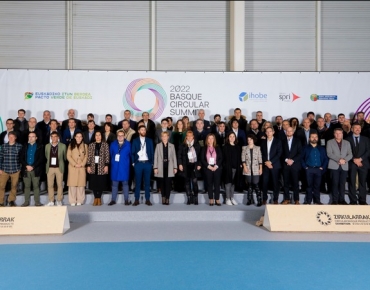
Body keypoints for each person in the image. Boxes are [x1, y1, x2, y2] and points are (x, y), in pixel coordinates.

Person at [326, 128, 353, 205]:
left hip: (344, 165)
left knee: (342, 183)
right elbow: (329, 153)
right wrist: (339, 159)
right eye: (336, 133)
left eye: (340, 133)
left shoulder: (347, 143)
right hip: (334, 165)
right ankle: (334, 200)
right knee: (334, 183)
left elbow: (350, 154)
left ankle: (342, 199)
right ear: (334, 134)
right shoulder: (330, 142)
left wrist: (344, 160)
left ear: (342, 134)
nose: (338, 135)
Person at [301, 132, 329, 205]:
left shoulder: (322, 148)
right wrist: (305, 167)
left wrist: (323, 167)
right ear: (309, 138)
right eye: (312, 137)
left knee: (317, 185)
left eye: (315, 137)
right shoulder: (305, 148)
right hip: (309, 169)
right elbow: (301, 158)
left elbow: (326, 159)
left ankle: (317, 200)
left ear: (318, 138)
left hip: (318, 169)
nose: (314, 138)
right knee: (309, 185)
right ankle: (308, 200)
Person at [346, 124, 370, 205]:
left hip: (363, 163)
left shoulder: (366, 139)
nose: (357, 129)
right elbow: (346, 152)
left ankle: (362, 200)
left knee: (363, 182)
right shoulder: (347, 139)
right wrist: (354, 159)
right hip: (352, 163)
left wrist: (360, 159)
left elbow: (368, 151)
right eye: (355, 128)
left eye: (359, 128)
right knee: (352, 182)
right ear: (352, 129)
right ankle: (353, 200)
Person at [131, 125, 154, 206]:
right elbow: (132, 152)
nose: (143, 131)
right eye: (142, 130)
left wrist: (152, 163)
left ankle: (147, 199)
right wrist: (133, 163)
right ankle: (136, 199)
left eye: (144, 130)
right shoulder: (135, 140)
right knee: (138, 182)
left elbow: (152, 152)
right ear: (138, 131)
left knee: (147, 183)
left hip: (147, 163)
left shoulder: (150, 140)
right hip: (138, 164)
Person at [20, 132, 44, 207]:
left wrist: (33, 166)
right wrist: (26, 166)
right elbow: (21, 158)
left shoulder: (40, 146)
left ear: (36, 138)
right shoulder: (25, 146)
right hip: (26, 169)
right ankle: (26, 202)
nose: (31, 138)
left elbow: (41, 158)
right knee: (26, 186)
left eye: (33, 136)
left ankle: (37, 202)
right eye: (29, 136)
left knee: (36, 186)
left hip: (35, 169)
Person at [177, 131, 202, 205]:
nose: (190, 137)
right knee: (187, 183)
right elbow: (179, 156)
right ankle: (189, 197)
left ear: (193, 136)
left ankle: (195, 198)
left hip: (194, 165)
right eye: (188, 136)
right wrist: (180, 164)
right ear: (186, 137)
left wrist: (199, 164)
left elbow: (200, 156)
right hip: (185, 166)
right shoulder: (182, 145)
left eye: (191, 136)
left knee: (194, 182)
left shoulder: (197, 145)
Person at [154, 131, 177, 205]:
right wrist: (155, 167)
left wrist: (175, 167)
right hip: (160, 166)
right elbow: (156, 157)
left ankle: (167, 198)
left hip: (169, 166)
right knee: (162, 184)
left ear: (168, 137)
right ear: (161, 137)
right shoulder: (158, 145)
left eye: (165, 136)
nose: (164, 137)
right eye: (163, 136)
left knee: (168, 184)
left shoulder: (172, 146)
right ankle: (163, 197)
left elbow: (174, 157)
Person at [86, 131, 109, 206]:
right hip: (93, 166)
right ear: (94, 136)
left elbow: (107, 156)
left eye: (99, 135)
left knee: (101, 183)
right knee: (94, 183)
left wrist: (106, 165)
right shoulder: (91, 145)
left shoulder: (105, 145)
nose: (98, 136)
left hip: (102, 166)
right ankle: (95, 198)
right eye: (96, 135)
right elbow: (89, 156)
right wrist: (88, 165)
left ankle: (99, 198)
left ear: (101, 136)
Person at [109, 129, 131, 205]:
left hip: (124, 167)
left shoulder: (128, 144)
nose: (120, 137)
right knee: (114, 185)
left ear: (124, 136)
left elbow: (130, 156)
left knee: (125, 184)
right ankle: (113, 200)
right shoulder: (113, 144)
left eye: (122, 135)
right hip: (115, 167)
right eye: (119, 135)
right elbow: (111, 155)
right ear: (117, 136)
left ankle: (126, 200)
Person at [260, 127, 282, 204]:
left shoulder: (278, 141)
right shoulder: (263, 142)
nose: (268, 133)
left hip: (275, 165)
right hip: (265, 165)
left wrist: (271, 162)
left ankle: (275, 199)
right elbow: (261, 153)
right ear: (265, 133)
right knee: (264, 182)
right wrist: (266, 162)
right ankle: (264, 199)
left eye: (270, 131)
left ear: (273, 132)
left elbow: (279, 153)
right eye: (267, 131)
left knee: (275, 183)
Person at [281, 127, 302, 204]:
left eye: (290, 131)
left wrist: (292, 160)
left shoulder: (298, 141)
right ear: (286, 132)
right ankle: (287, 199)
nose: (289, 132)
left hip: (295, 165)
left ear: (293, 132)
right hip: (285, 165)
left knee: (295, 183)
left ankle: (296, 199)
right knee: (285, 183)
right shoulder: (282, 141)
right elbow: (280, 153)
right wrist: (286, 160)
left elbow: (300, 153)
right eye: (287, 131)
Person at [0, 131, 22, 207]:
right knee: (1, 186)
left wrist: (20, 169)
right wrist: (0, 168)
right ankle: (1, 202)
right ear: (8, 138)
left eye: (13, 137)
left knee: (14, 186)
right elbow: (0, 158)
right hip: (4, 169)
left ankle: (11, 200)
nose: (11, 138)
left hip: (15, 169)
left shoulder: (19, 146)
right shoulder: (3, 146)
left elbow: (21, 158)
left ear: (15, 138)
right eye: (10, 137)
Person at [45, 132, 67, 206]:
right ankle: (51, 200)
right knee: (50, 185)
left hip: (59, 168)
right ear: (51, 138)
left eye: (55, 136)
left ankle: (59, 200)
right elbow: (46, 156)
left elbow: (64, 157)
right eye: (52, 137)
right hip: (50, 168)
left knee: (60, 184)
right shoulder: (47, 146)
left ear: (58, 138)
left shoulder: (63, 146)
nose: (54, 138)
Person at [201, 133, 223, 206]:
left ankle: (217, 199)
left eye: (212, 138)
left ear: (214, 140)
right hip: (207, 168)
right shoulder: (204, 148)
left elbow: (221, 158)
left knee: (217, 184)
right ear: (207, 140)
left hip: (217, 168)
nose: (210, 140)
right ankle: (211, 199)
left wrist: (216, 166)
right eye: (209, 138)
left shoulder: (217, 147)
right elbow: (202, 159)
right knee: (209, 184)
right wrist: (209, 166)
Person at [67, 132, 88, 206]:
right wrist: (75, 164)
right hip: (73, 167)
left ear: (82, 138)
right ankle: (72, 200)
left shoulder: (85, 146)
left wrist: (82, 164)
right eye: (77, 136)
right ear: (75, 137)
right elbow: (68, 156)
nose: (79, 138)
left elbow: (86, 156)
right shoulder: (70, 145)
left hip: (81, 167)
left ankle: (80, 200)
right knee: (72, 184)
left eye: (80, 136)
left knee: (81, 185)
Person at [242, 134, 263, 206]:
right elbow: (243, 158)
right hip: (247, 168)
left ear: (253, 140)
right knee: (249, 185)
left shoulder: (257, 148)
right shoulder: (244, 148)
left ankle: (259, 200)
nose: (249, 141)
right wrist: (244, 166)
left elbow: (260, 159)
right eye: (248, 140)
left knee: (256, 184)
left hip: (256, 168)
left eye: (250, 139)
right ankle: (249, 199)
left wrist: (260, 168)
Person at [222, 132, 241, 205]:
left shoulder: (237, 147)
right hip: (228, 168)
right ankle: (227, 198)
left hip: (236, 168)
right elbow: (223, 158)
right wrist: (225, 166)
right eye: (230, 136)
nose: (232, 138)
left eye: (233, 136)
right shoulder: (225, 147)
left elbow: (239, 157)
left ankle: (232, 198)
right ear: (228, 137)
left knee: (233, 184)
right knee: (228, 183)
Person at [170, 119, 187, 192]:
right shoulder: (173, 133)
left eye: (181, 124)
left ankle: (184, 187)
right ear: (177, 125)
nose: (180, 125)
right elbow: (172, 144)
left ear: (183, 125)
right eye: (178, 124)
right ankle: (177, 187)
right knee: (176, 170)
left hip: (184, 154)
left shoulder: (186, 133)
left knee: (183, 170)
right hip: (175, 153)